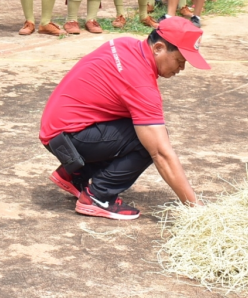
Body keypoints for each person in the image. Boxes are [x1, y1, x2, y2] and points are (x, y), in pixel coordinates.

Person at [39, 17, 207, 219]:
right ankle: (98, 197)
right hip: (70, 136)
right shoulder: (141, 85)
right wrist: (196, 208)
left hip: (59, 130)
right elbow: (161, 153)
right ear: (159, 48)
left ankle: (75, 174)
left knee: (140, 127)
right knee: (148, 141)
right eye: (180, 61)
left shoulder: (125, 44)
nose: (181, 69)